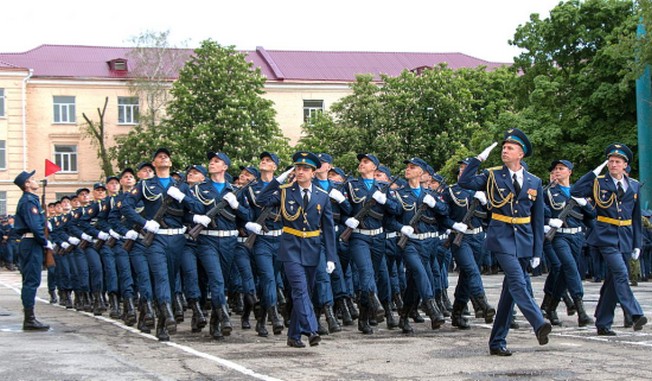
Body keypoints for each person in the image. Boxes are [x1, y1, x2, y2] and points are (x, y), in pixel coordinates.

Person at [458, 128, 551, 356]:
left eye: (510, 148)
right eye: (503, 147)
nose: (504, 151)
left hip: (524, 240)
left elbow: (538, 220)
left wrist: (537, 250)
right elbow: (465, 182)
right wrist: (478, 159)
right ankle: (538, 322)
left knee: (509, 294)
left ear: (521, 154)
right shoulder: (492, 175)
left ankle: (497, 341)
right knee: (519, 281)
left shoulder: (534, 181)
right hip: (501, 237)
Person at [257, 151, 337, 348]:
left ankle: (293, 336)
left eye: (305, 169)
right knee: (299, 290)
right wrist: (279, 179)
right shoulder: (285, 191)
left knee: (304, 293)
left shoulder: (322, 196)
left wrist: (331, 257)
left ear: (313, 172)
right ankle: (311, 329)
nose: (300, 171)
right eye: (297, 168)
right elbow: (261, 200)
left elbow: (328, 229)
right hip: (290, 248)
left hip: (312, 249)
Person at [571, 143, 647, 335]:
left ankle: (603, 322)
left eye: (617, 162)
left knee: (614, 280)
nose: (613, 165)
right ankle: (635, 313)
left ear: (625, 165)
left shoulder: (634, 185)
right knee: (621, 272)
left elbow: (636, 218)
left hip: (626, 237)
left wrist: (637, 243)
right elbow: (575, 191)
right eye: (611, 161)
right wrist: (593, 173)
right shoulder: (599, 183)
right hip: (606, 236)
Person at [13, 170, 52, 330]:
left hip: (30, 242)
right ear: (27, 184)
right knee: (31, 281)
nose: (36, 181)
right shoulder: (29, 201)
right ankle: (29, 319)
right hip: (31, 242)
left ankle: (30, 317)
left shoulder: (30, 200)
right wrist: (45, 242)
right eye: (32, 179)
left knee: (31, 280)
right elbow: (34, 226)